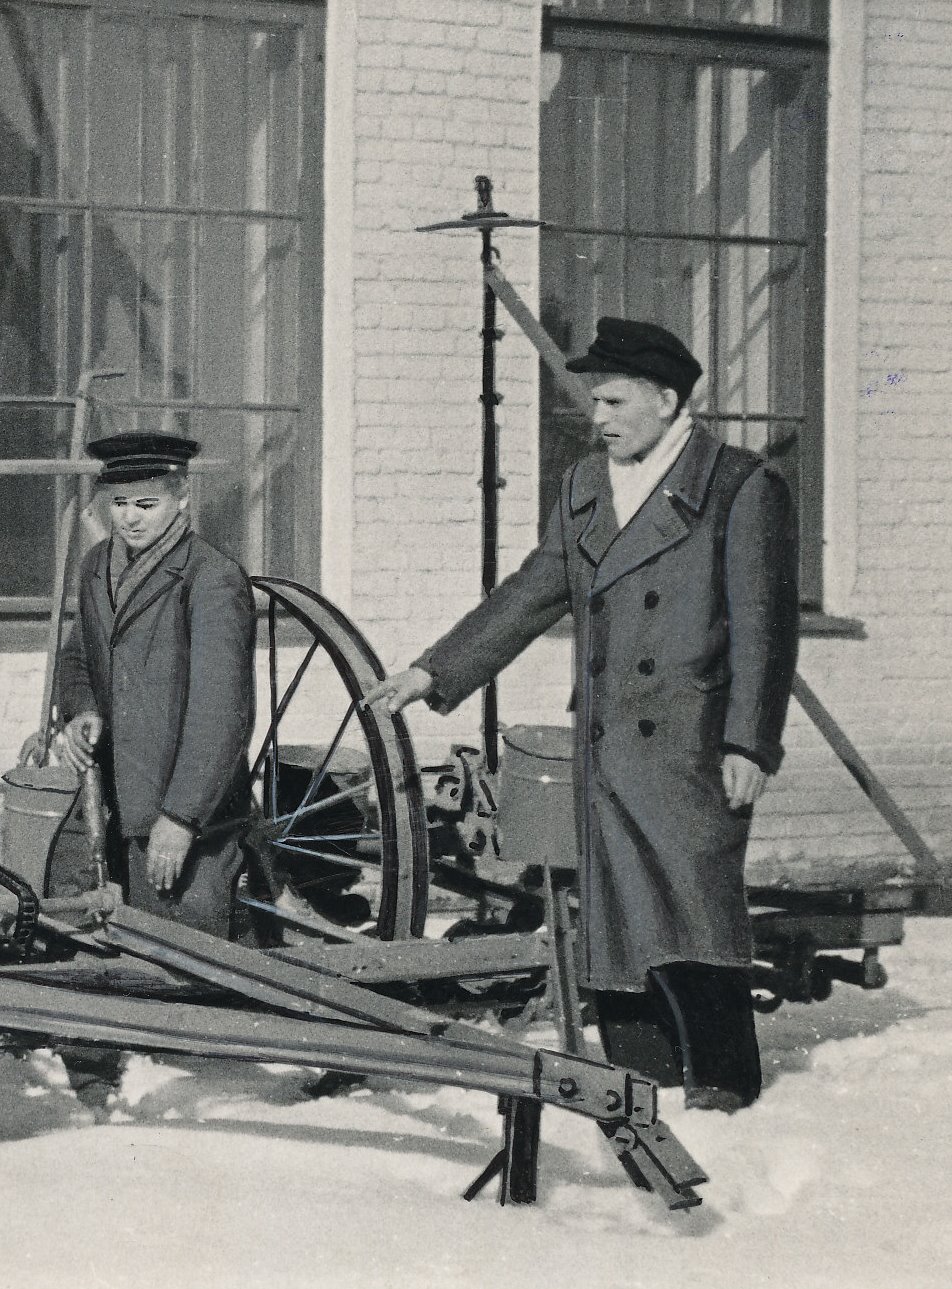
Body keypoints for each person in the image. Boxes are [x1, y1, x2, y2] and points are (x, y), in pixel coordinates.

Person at [362, 317, 799, 1112]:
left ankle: (725, 1084)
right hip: (608, 742)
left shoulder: (739, 486)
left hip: (693, 743)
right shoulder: (588, 484)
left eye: (612, 399)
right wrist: (435, 669)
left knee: (695, 907)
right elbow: (532, 591)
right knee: (617, 914)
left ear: (667, 401)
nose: (596, 416)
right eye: (594, 400)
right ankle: (638, 1080)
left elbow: (767, 631)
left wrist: (750, 742)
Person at [54, 431, 256, 941]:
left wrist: (182, 817)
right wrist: (82, 708)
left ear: (183, 497)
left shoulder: (211, 578)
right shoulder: (97, 566)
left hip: (184, 822)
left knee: (185, 968)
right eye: (118, 504)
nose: (130, 518)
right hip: (106, 805)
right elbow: (78, 656)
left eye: (147, 503)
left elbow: (223, 713)